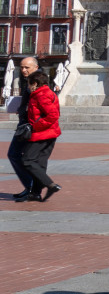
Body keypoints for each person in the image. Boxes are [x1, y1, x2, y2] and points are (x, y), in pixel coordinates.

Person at [22, 70, 62, 202]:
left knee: (27, 160)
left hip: (41, 134)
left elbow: (53, 115)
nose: (28, 86)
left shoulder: (41, 95)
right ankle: (36, 193)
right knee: (40, 163)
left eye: (29, 84)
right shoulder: (47, 93)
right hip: (51, 133)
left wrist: (35, 126)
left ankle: (50, 184)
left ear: (35, 83)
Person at [8, 56, 40, 202]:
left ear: (35, 67)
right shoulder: (28, 81)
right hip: (24, 125)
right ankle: (30, 188)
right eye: (21, 67)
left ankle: (32, 188)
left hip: (30, 127)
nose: (23, 70)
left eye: (27, 67)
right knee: (19, 156)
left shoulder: (38, 82)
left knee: (17, 155)